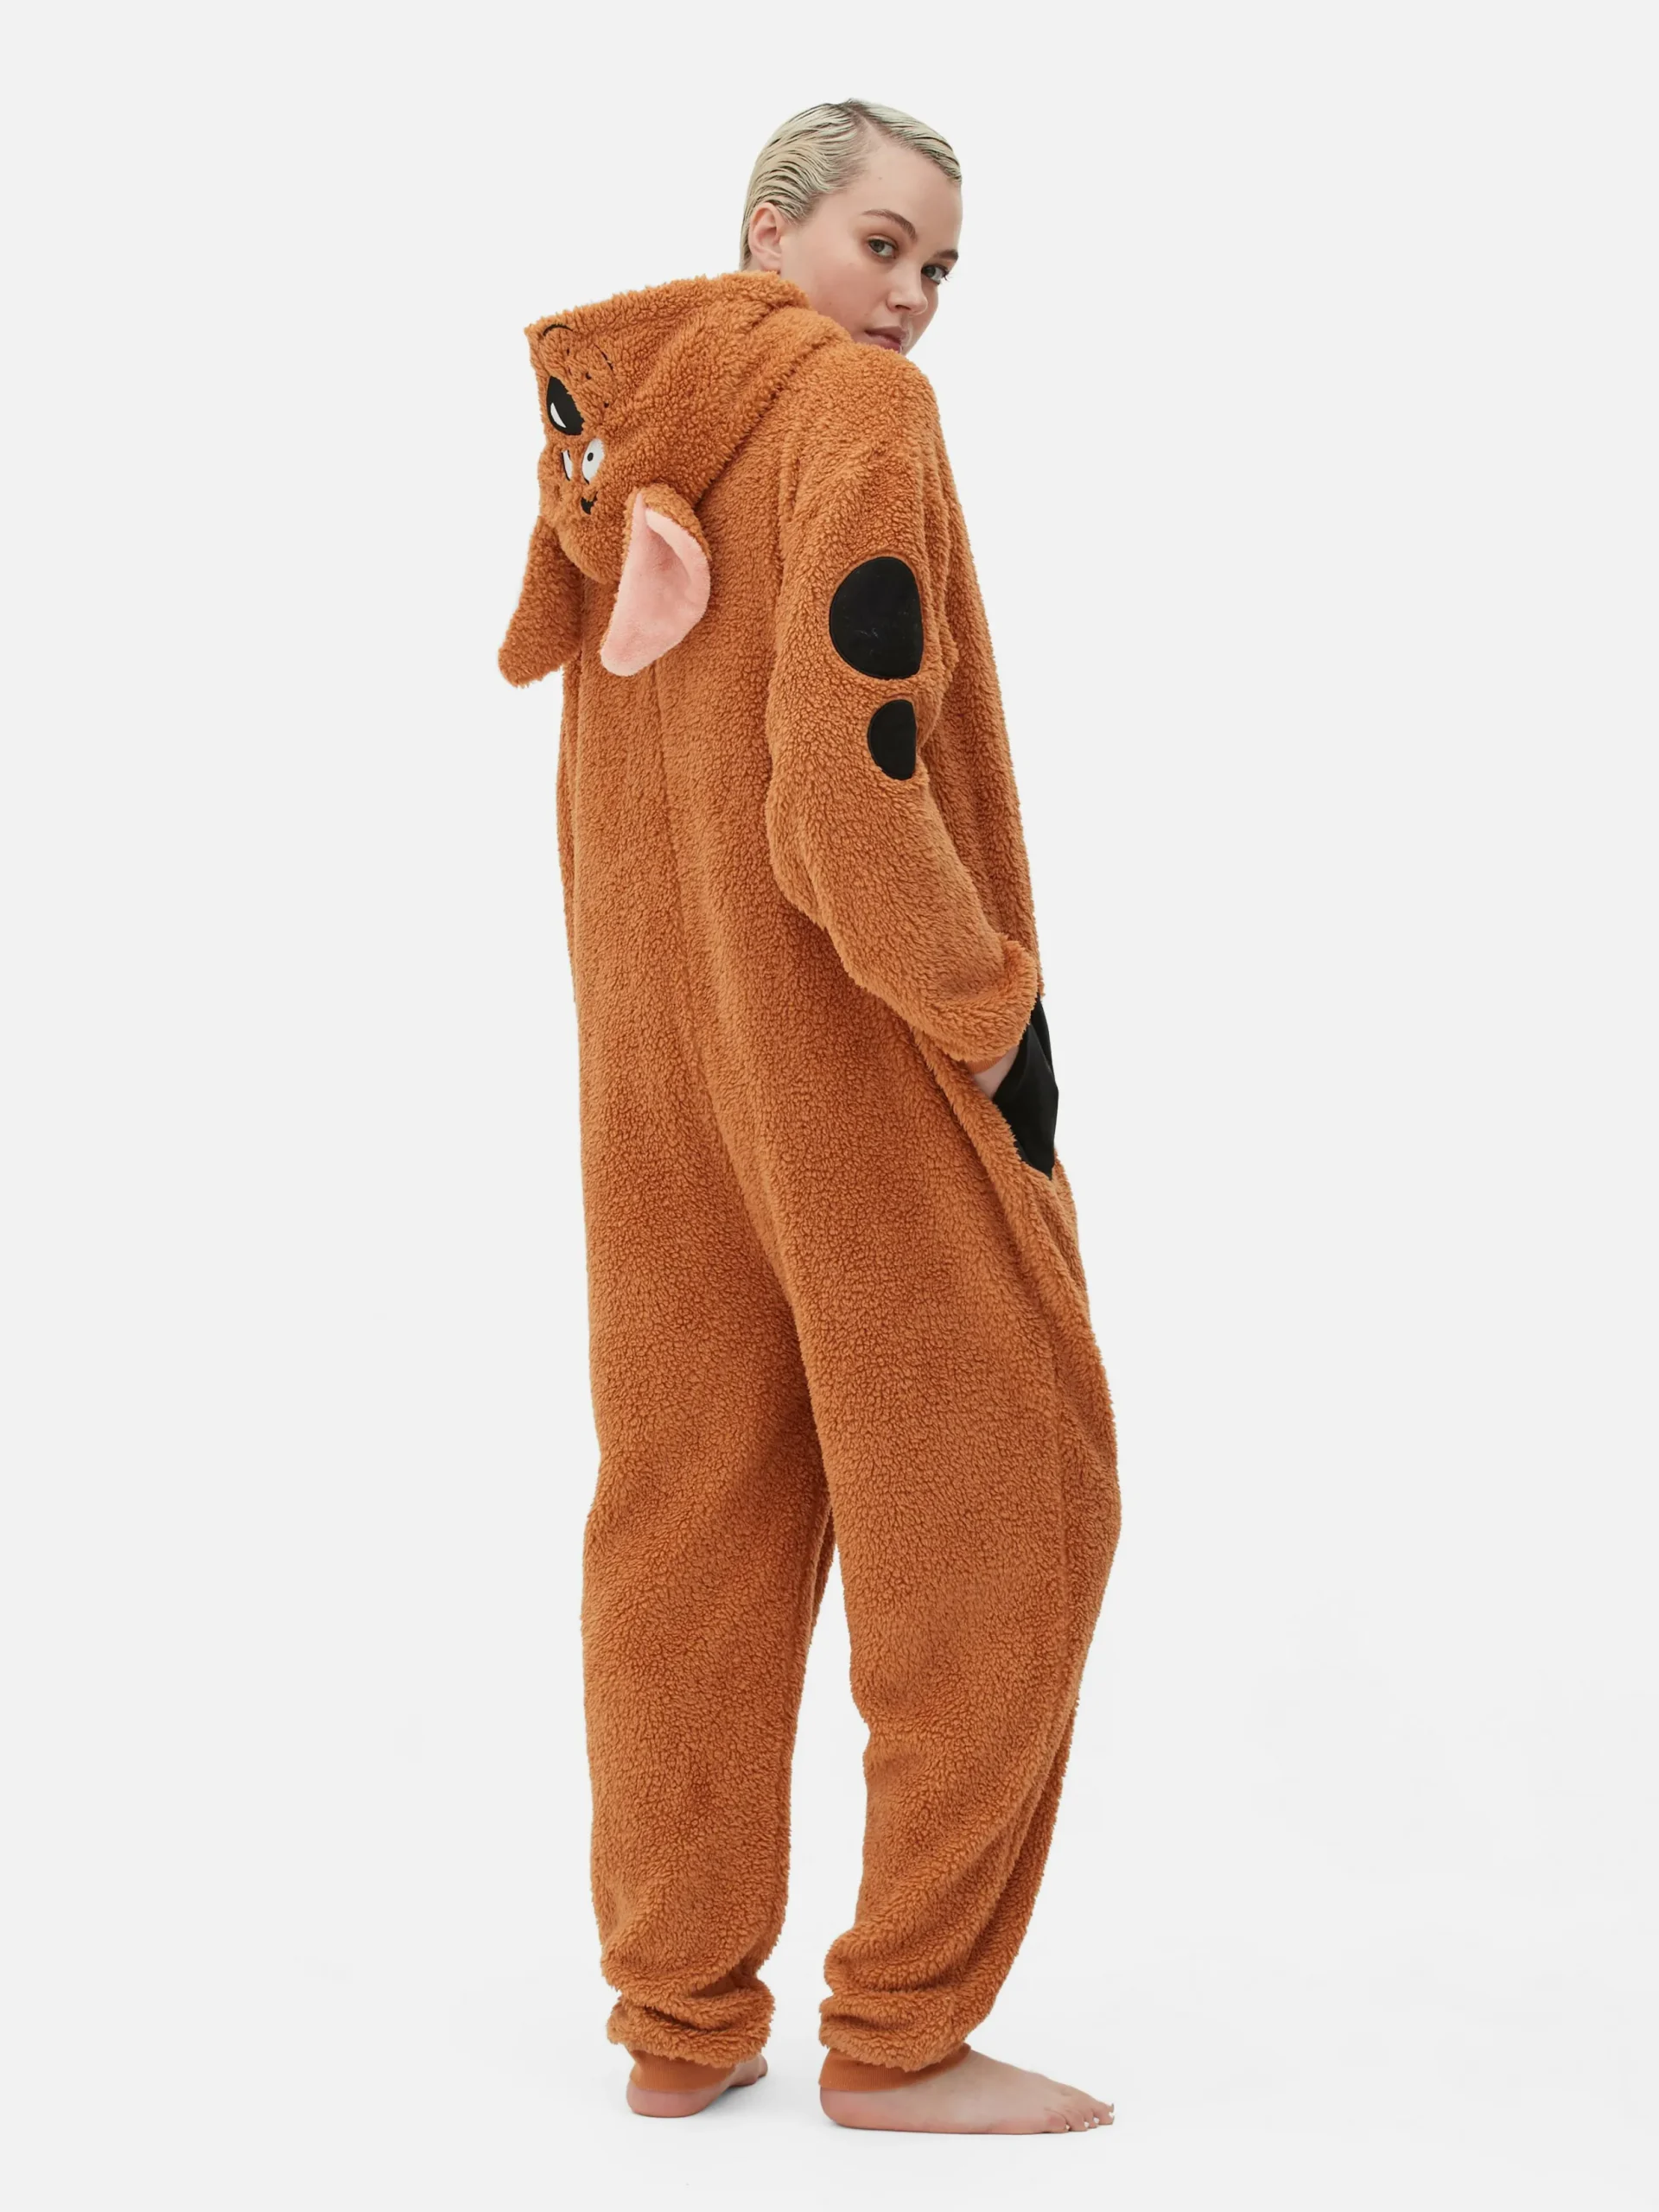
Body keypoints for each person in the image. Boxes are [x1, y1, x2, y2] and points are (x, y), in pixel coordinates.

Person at [499, 98, 1122, 2137]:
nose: (913, 298)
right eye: (883, 244)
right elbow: (844, 790)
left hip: (655, 1086)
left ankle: (678, 2020)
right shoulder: (857, 416)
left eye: (939, 270)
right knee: (1014, 1505)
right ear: (770, 231)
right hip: (852, 1061)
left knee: (688, 1523)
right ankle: (904, 2023)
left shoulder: (624, 461)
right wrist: (993, 1019)